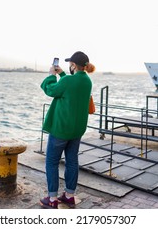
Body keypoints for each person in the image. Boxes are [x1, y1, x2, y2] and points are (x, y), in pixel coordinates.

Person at [40, 51, 95, 209]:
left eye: (69, 64)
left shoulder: (68, 81)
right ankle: (69, 196)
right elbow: (70, 85)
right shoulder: (87, 81)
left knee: (52, 162)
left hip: (61, 129)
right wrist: (62, 73)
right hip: (77, 130)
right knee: (72, 162)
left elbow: (52, 90)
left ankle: (52, 199)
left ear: (73, 65)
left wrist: (52, 75)